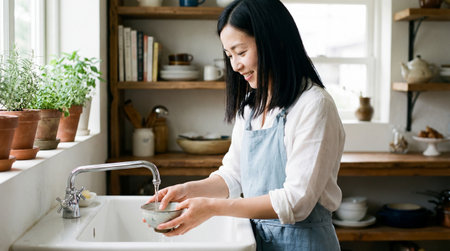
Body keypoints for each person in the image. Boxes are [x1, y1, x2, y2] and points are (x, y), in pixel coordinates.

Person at [147, 0, 345, 250]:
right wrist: (189, 191)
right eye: (229, 55)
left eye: (241, 52)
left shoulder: (314, 105)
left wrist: (211, 208)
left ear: (275, 42)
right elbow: (233, 175)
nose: (235, 65)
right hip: (256, 241)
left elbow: (296, 202)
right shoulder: (251, 106)